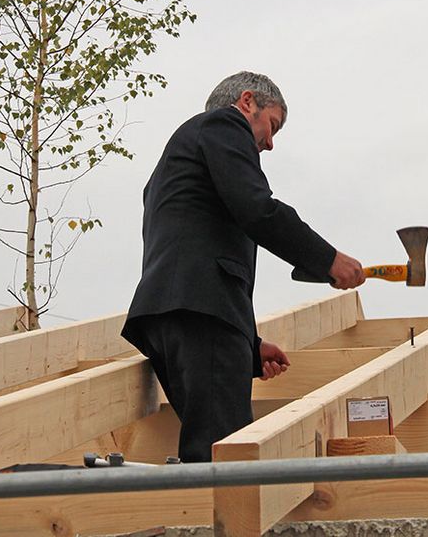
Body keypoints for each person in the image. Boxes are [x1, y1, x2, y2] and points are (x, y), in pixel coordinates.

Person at [122, 71, 366, 462]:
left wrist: (250, 346)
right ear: (247, 101)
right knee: (227, 457)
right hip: (202, 313)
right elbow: (258, 210)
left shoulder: (179, 161)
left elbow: (199, 243)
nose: (270, 143)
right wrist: (328, 260)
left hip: (172, 315)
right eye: (273, 125)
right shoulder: (223, 124)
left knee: (212, 443)